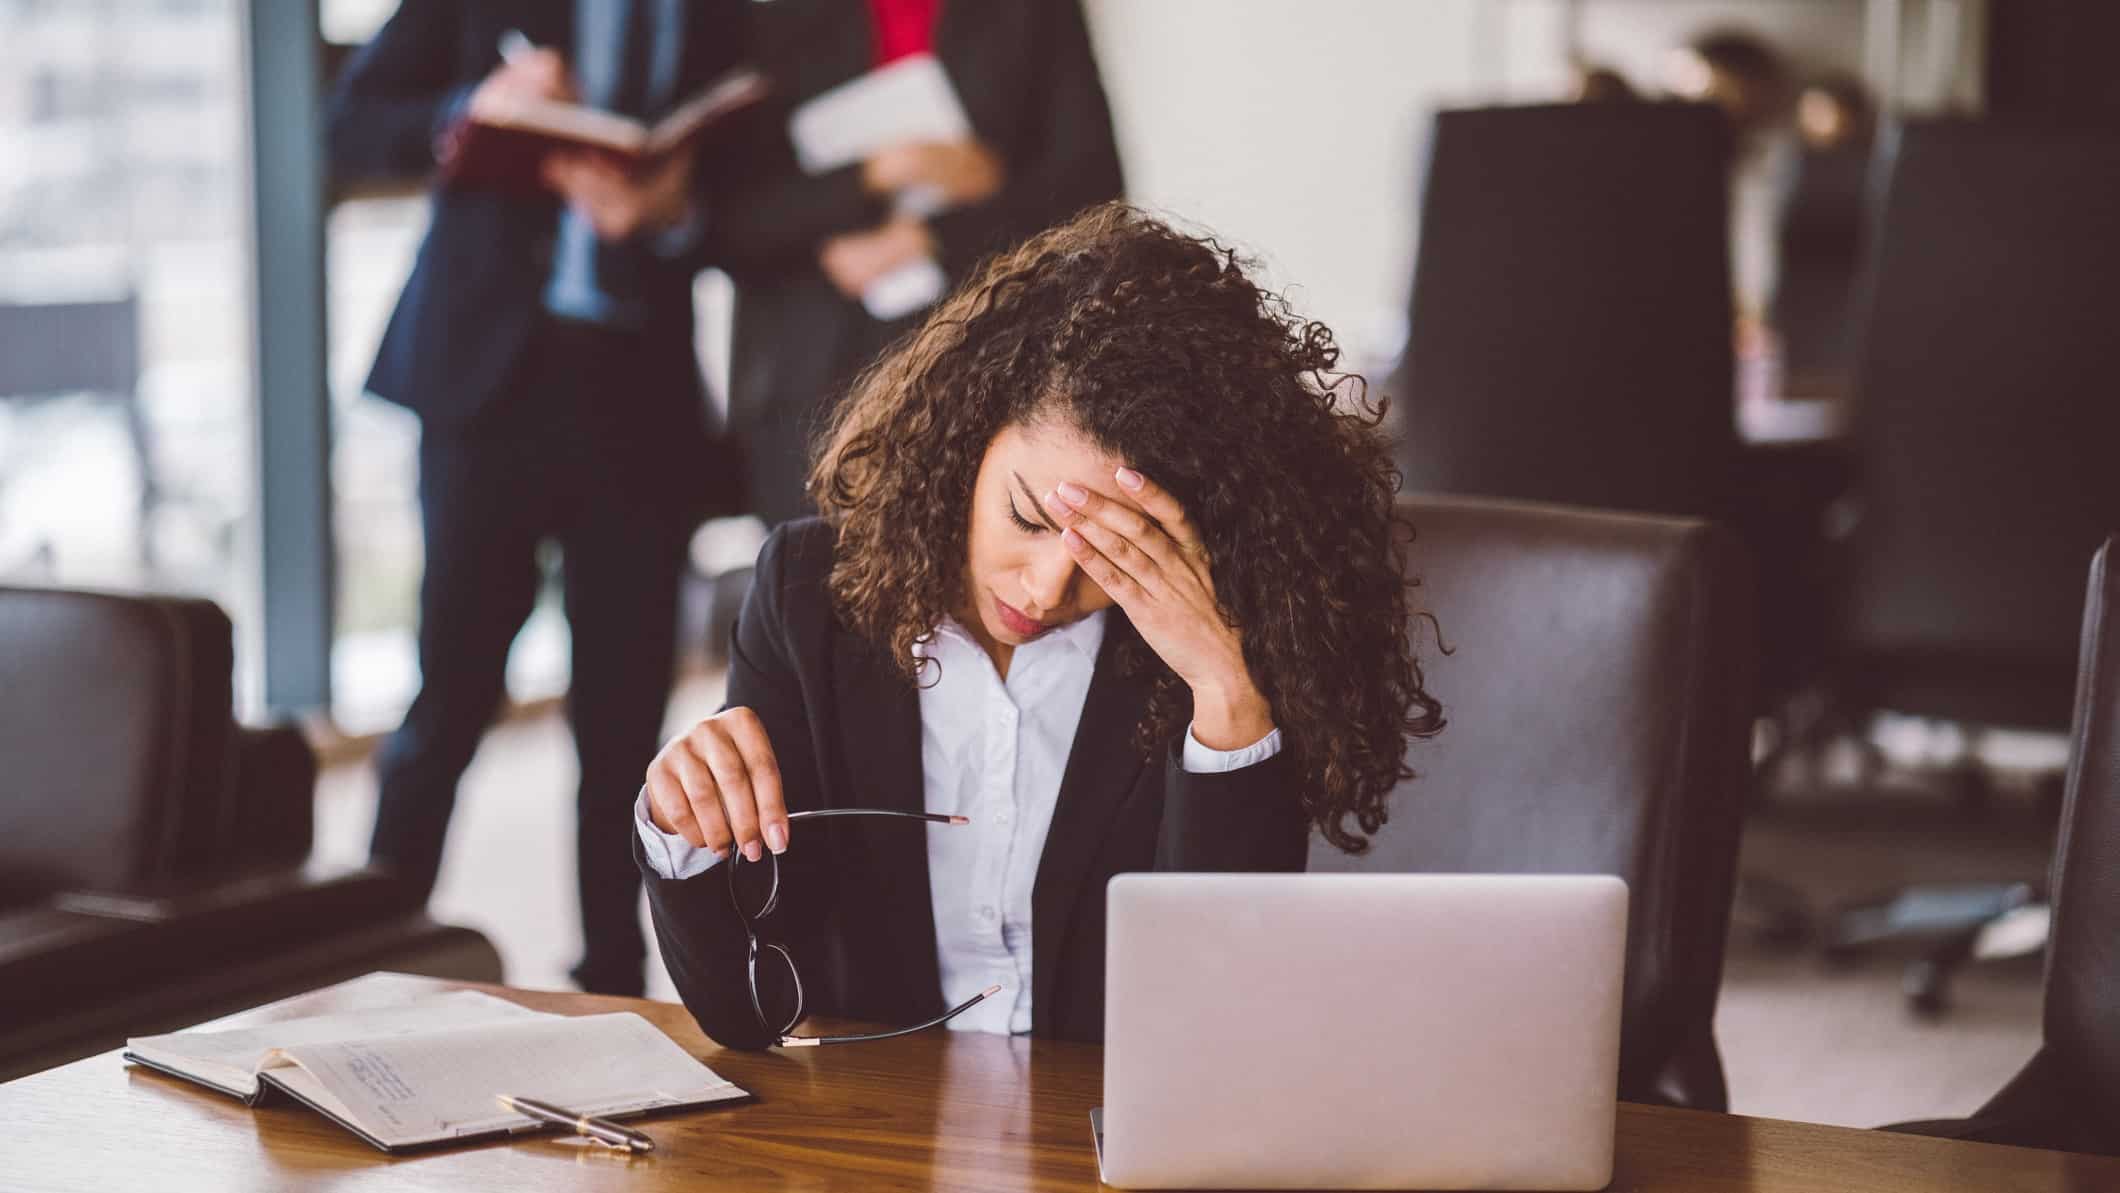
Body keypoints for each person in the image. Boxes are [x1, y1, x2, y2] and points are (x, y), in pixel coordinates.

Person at [632, 204, 1444, 1048]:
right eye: (1027, 514)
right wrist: (684, 827)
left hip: (1104, 1146)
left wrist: (1227, 695)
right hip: (879, 1136)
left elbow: (1219, 1028)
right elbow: (748, 1011)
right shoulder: (809, 595)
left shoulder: (1208, 645)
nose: (1050, 585)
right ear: (967, 437)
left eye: (1113, 550)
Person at [327, 0, 744, 996]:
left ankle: (611, 976)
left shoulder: (716, 15)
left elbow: (744, 187)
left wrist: (672, 210)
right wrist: (475, 104)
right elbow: (349, 127)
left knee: (625, 719)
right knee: (453, 691)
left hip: (633, 395)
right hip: (488, 388)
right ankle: (369, 953)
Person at [702, 0, 1124, 527]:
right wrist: (871, 176)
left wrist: (934, 236)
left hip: (991, 362)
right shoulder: (773, 19)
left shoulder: (1030, 12)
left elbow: (1095, 195)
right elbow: (729, 220)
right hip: (814, 388)